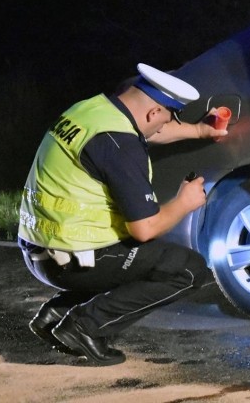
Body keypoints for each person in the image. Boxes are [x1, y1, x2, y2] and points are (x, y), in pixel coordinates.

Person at [18, 63, 227, 365]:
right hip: (76, 258)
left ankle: (58, 313)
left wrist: (199, 130)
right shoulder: (120, 146)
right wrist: (184, 202)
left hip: (38, 248)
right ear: (154, 113)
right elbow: (145, 229)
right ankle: (84, 326)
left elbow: (148, 131)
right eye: (163, 120)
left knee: (138, 259)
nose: (160, 129)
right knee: (187, 270)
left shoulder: (91, 111)